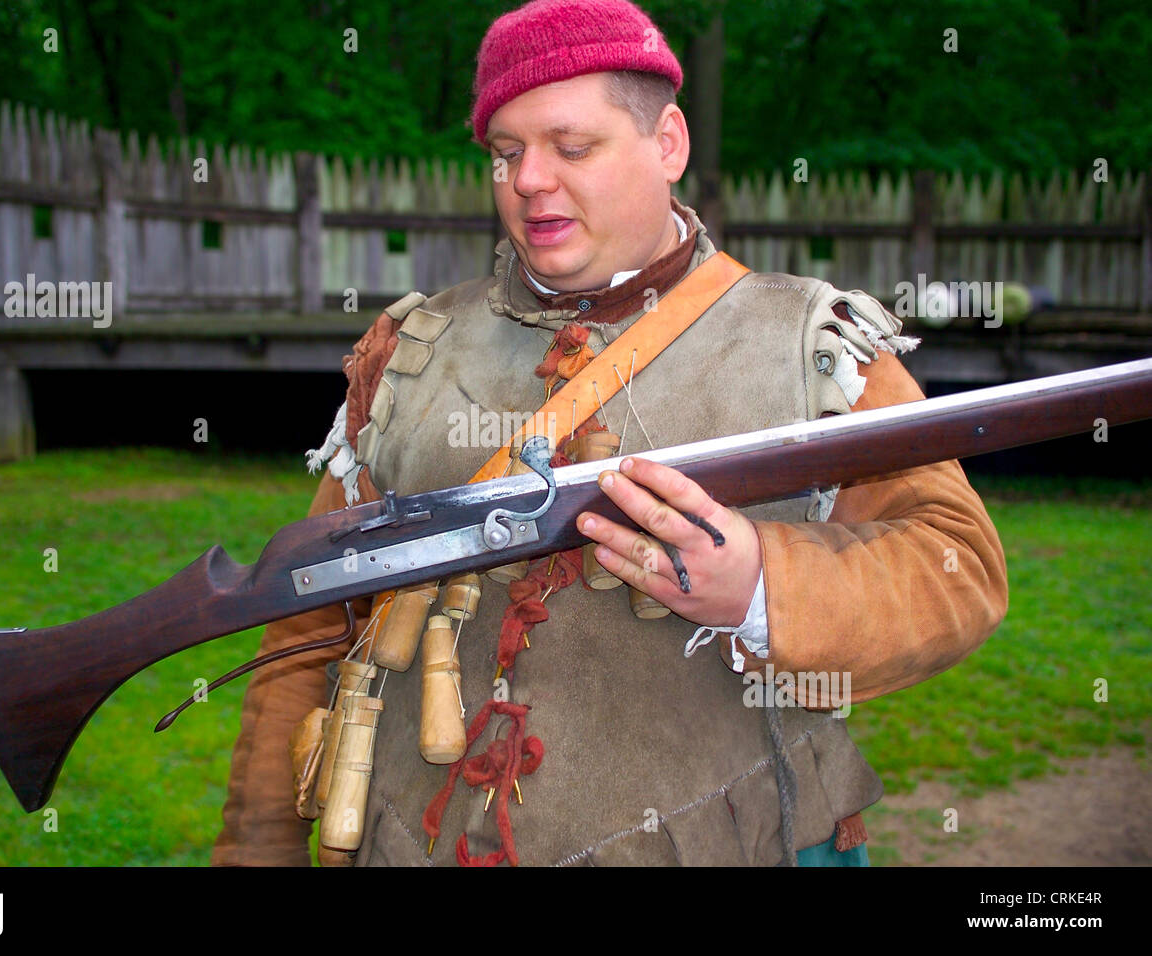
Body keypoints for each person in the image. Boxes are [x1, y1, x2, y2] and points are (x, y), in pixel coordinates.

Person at [213, 0, 1008, 867]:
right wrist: (256, 849)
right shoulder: (409, 355)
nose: (528, 181)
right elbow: (307, 636)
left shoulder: (808, 345)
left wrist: (758, 584)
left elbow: (955, 565)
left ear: (668, 143)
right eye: (507, 154)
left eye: (571, 147)